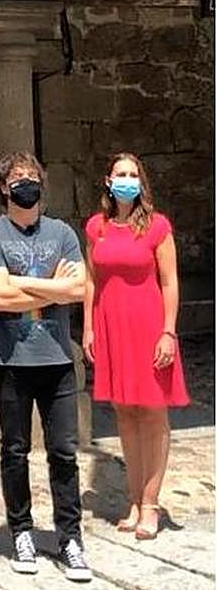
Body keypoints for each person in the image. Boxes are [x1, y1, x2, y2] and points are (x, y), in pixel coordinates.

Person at [0, 151, 92, 582]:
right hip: (10, 362)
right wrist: (53, 288)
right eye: (18, 178)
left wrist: (22, 281)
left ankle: (70, 537)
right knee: (15, 450)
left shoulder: (62, 233)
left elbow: (79, 288)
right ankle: (21, 529)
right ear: (3, 188)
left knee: (64, 451)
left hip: (57, 359)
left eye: (33, 176)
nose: (26, 183)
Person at [82, 152, 189, 540]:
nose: (126, 179)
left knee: (153, 415)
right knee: (124, 413)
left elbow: (169, 282)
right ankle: (132, 498)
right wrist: (89, 328)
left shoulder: (158, 228)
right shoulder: (97, 228)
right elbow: (91, 280)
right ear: (108, 181)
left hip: (148, 327)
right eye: (119, 173)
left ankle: (150, 504)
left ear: (141, 182)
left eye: (132, 174)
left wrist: (168, 331)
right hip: (111, 327)